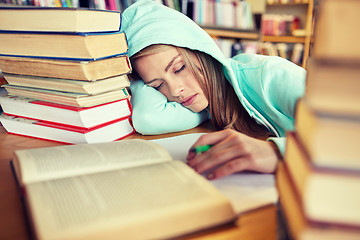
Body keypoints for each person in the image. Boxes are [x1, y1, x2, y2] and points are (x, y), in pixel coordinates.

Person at [120, 0, 306, 180]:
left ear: (201, 50)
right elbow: (146, 118)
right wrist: (131, 79)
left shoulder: (269, 74)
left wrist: (276, 152)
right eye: (157, 85)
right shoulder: (207, 104)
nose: (175, 91)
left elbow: (335, 134)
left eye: (179, 68)